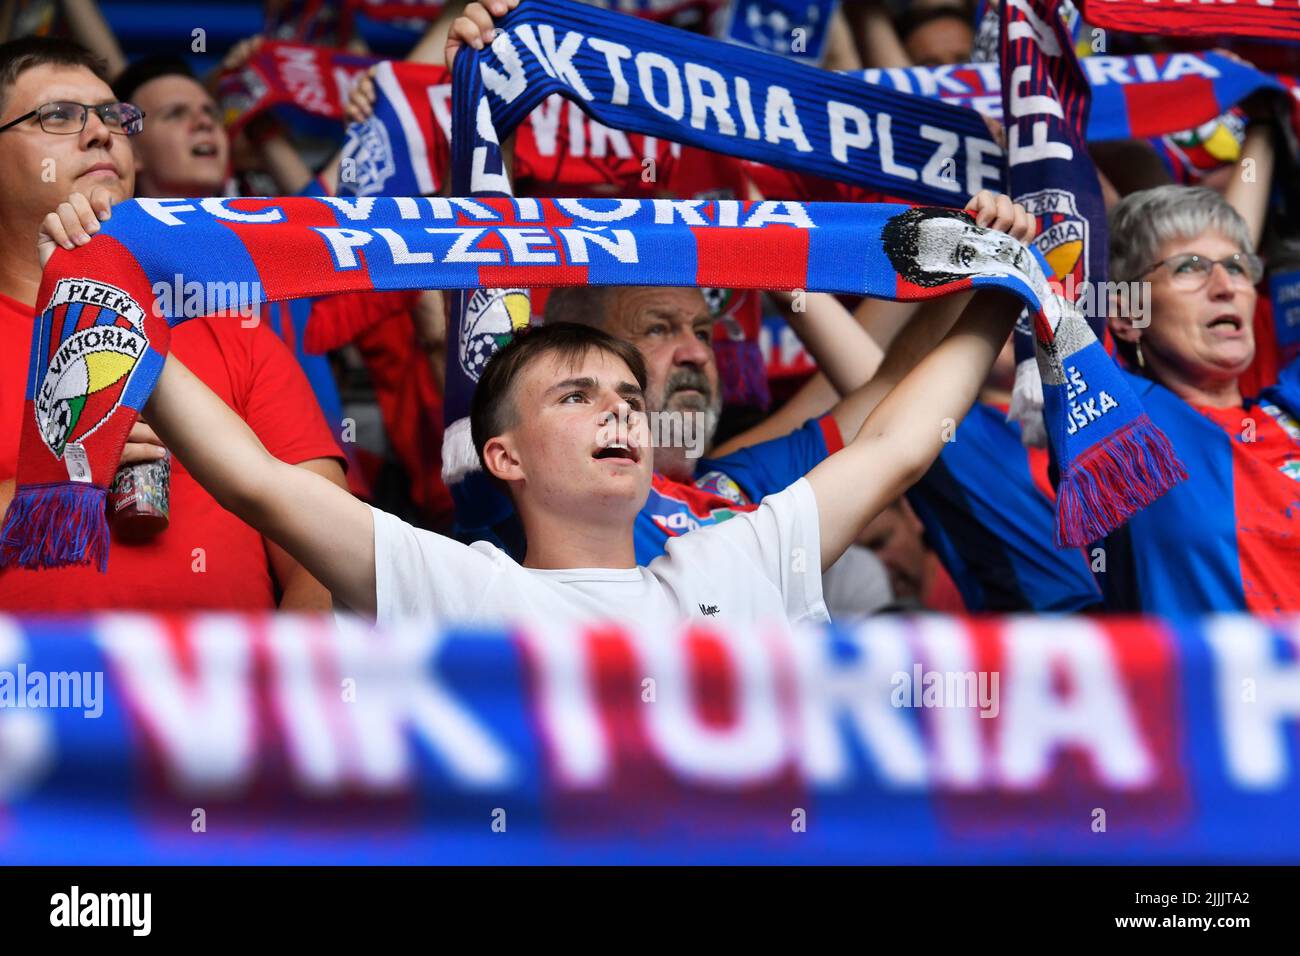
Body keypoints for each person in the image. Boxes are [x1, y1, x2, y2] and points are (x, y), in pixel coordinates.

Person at [0, 36, 345, 611]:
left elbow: (330, 559)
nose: (100, 133)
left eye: (113, 115)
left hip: (224, 696)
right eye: (59, 116)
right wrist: (58, 484)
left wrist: (276, 697)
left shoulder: (232, 329)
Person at [1103, 184, 1300, 613]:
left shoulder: (1290, 405)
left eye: (1237, 266)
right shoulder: (1120, 430)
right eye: (1189, 267)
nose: (1224, 285)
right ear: (1124, 315)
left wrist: (1275, 125)